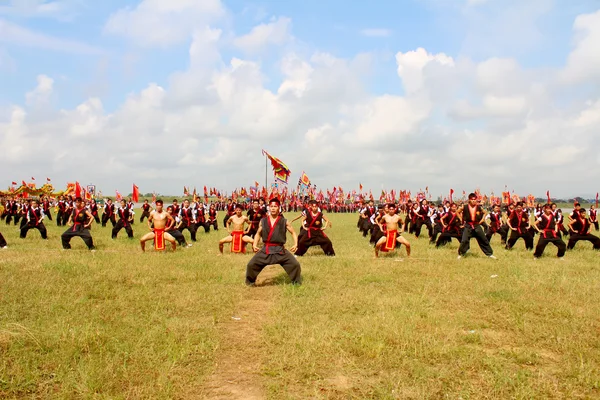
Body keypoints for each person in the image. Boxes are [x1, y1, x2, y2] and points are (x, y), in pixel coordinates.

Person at [245, 198, 302, 286]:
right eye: (271, 206)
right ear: (269, 208)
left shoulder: (284, 221)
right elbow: (258, 233)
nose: (273, 208)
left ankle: (296, 283)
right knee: (251, 265)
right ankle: (250, 283)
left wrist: (296, 244)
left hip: (280, 250)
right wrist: (254, 244)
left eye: (275, 206)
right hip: (266, 249)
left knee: (295, 265)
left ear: (279, 208)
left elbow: (293, 232)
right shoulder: (263, 221)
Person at [458, 193, 496, 259]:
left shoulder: (479, 207)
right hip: (468, 225)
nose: (473, 201)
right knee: (464, 240)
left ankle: (489, 254)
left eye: (475, 199)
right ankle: (461, 254)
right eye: (472, 199)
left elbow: (485, 212)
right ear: (469, 200)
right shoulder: (465, 206)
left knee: (483, 239)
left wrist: (482, 219)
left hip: (476, 225)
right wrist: (461, 219)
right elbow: (457, 212)